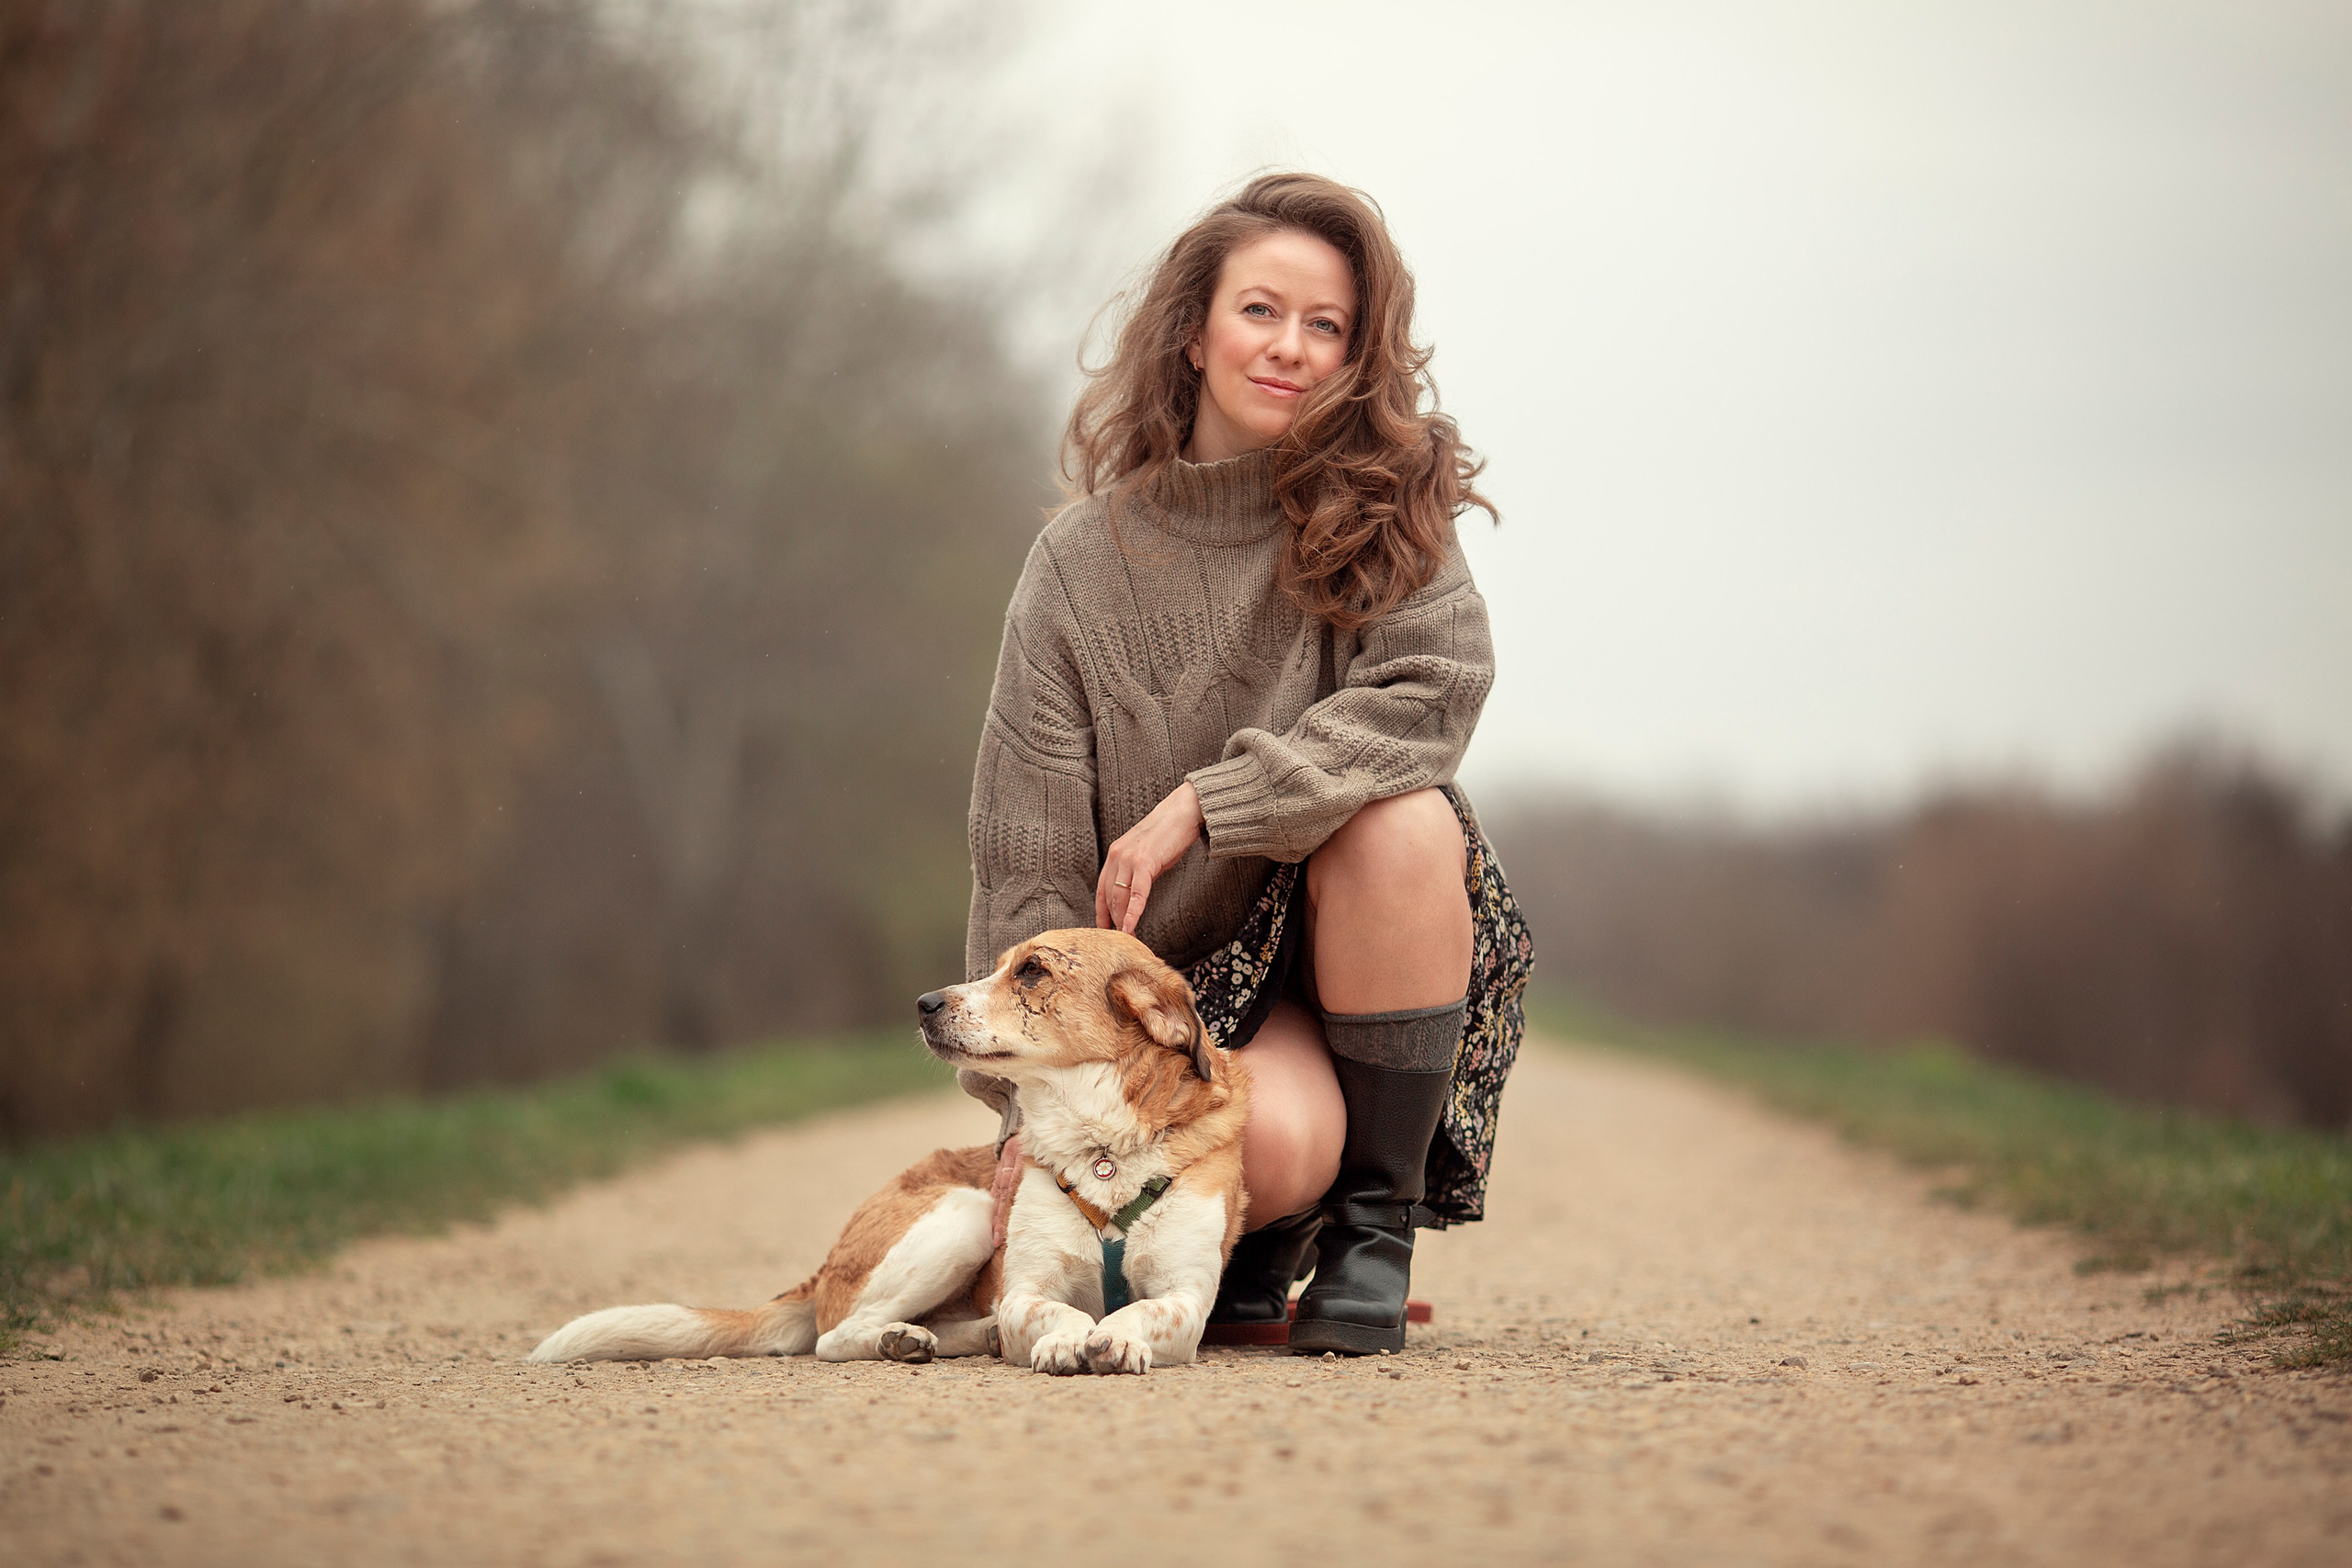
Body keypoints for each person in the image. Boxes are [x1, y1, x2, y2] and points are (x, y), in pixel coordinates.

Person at [959, 172, 1532, 1357]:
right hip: (1179, 1002)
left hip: (1363, 952)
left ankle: (1372, 1230)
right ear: (1193, 331)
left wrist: (1207, 803)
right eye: (1260, 311)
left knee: (1405, 819)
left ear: (1357, 357)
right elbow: (1028, 857)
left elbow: (1435, 691)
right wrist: (1021, 1110)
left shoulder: (1390, 514)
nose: (1290, 347)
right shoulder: (1078, 565)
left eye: (1327, 325)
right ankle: (1263, 1227)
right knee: (1259, 1151)